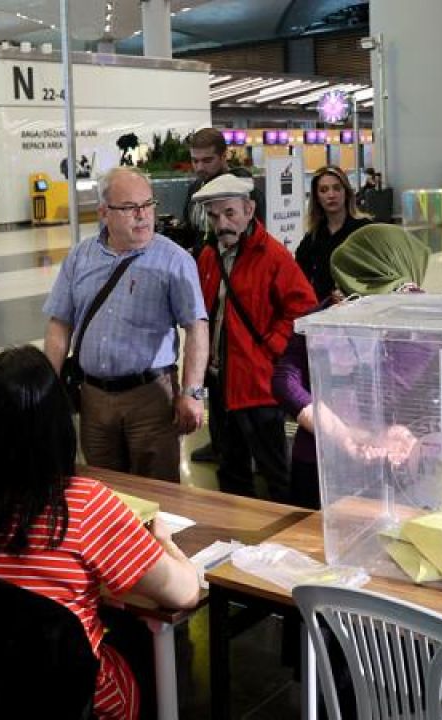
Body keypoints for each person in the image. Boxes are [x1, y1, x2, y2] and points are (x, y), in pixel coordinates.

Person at [0, 346, 200, 720]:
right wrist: (162, 541)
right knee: (141, 640)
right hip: (70, 698)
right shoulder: (86, 505)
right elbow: (184, 592)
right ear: (58, 425)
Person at [43, 167, 208, 483]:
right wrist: (48, 386)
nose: (143, 215)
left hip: (150, 398)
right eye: (130, 208)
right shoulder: (80, 257)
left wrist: (191, 392)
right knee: (102, 490)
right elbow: (59, 323)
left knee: (157, 493)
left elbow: (196, 326)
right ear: (104, 212)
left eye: (148, 205)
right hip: (92, 397)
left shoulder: (173, 260)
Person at [273, 224, 431, 509]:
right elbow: (285, 379)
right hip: (325, 465)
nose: (343, 297)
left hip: (389, 469)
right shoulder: (323, 317)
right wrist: (344, 435)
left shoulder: (422, 325)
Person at [193, 174, 316, 502]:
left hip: (257, 386)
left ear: (249, 210)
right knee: (230, 468)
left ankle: (287, 539)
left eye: (230, 213)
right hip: (220, 384)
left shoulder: (273, 256)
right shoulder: (209, 256)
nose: (222, 223)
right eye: (214, 215)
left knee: (275, 470)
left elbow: (303, 309)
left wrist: (271, 349)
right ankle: (237, 536)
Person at [183, 128, 262, 464]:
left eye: (207, 160)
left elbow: (254, 234)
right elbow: (191, 232)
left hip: (236, 283)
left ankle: (244, 445)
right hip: (205, 279)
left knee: (234, 361)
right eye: (195, 160)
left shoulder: (240, 188)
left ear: (224, 155)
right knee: (210, 362)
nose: (200, 167)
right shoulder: (193, 191)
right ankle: (220, 442)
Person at [293, 166, 371, 303]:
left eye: (336, 188)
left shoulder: (364, 229)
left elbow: (377, 274)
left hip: (360, 307)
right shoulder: (313, 237)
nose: (331, 195)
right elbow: (298, 277)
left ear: (346, 192)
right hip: (323, 311)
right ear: (317, 197)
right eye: (324, 190)